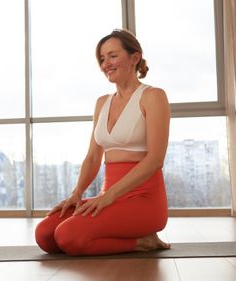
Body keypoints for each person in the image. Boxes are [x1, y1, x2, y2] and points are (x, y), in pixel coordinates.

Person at [35, 29, 171, 256]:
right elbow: (93, 157)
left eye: (112, 56)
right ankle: (123, 232)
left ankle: (143, 242)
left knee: (68, 237)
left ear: (134, 58)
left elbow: (155, 160)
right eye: (101, 59)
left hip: (143, 200)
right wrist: (76, 194)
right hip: (109, 198)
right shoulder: (102, 103)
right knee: (45, 235)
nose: (105, 63)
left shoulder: (153, 96)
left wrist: (107, 197)